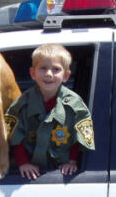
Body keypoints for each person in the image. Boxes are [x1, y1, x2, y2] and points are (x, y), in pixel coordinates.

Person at [5, 43, 95, 180]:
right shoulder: (21, 105)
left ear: (66, 76)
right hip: (27, 174)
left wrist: (72, 161)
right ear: (33, 73)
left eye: (56, 69)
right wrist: (23, 163)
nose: (49, 74)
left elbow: (79, 138)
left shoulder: (75, 106)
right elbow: (16, 138)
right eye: (43, 68)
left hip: (61, 174)